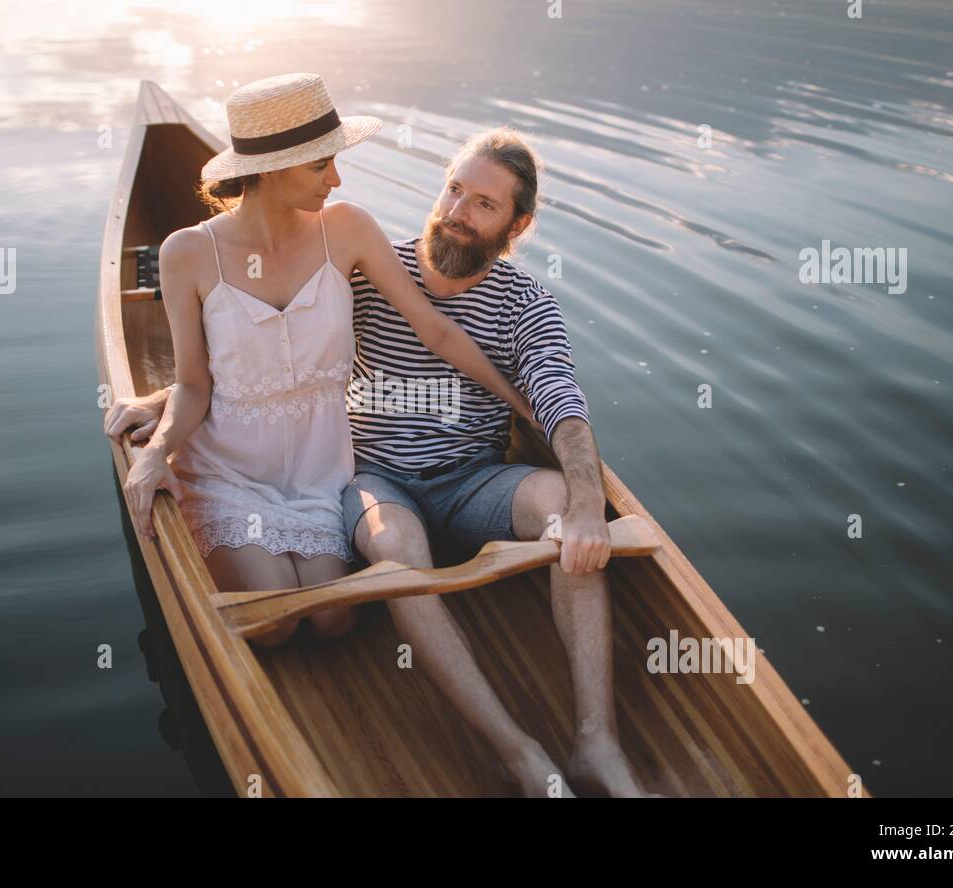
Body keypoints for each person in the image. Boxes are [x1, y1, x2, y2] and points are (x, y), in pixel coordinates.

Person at [112, 125, 655, 798]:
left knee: (566, 503)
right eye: (454, 189)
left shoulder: (526, 303)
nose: (456, 212)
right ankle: (517, 753)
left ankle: (596, 743)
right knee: (393, 542)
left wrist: (579, 497)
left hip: (475, 481)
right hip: (374, 481)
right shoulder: (366, 266)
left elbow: (558, 399)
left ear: (519, 223)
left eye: (483, 204)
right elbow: (271, 350)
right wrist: (165, 402)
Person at [106, 73, 535, 649]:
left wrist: (524, 408)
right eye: (320, 166)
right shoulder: (187, 252)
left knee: (334, 619)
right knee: (276, 624)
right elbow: (193, 382)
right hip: (229, 470)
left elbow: (436, 331)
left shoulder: (347, 229)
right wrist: (156, 449)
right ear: (271, 168)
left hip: (319, 474)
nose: (336, 178)